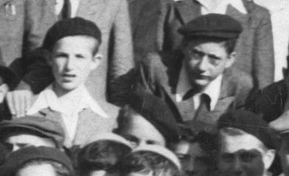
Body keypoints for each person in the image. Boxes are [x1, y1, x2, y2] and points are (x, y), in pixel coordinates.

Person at [110, 13, 257, 127]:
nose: (202, 66)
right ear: (184, 48)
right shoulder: (155, 68)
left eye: (214, 58)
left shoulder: (241, 85)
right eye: (196, 54)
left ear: (230, 59)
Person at [27, 18, 116, 146]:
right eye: (62, 56)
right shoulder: (26, 109)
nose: (69, 66)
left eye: (80, 57)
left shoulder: (112, 116)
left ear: (95, 61)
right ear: (49, 58)